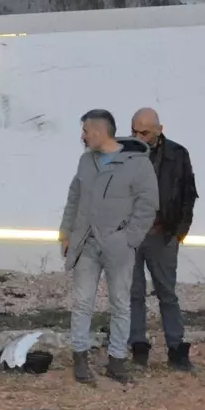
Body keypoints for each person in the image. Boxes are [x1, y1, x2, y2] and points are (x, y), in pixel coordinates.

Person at [60, 109, 159, 384]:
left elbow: (148, 204)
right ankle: (80, 357)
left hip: (118, 246)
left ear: (100, 132)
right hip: (86, 244)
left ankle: (117, 361)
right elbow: (74, 197)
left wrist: (129, 238)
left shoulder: (137, 164)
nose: (82, 136)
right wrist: (66, 233)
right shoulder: (85, 162)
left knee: (120, 304)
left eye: (85, 130)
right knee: (81, 302)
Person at [128, 107, 197, 371]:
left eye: (144, 131)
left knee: (167, 293)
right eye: (134, 130)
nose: (139, 136)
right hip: (131, 236)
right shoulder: (124, 153)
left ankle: (176, 349)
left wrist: (179, 232)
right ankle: (138, 347)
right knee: (133, 293)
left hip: (163, 235)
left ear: (159, 129)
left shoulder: (178, 155)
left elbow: (188, 194)